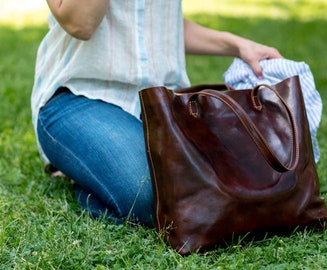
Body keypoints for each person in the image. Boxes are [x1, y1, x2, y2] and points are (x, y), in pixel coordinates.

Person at [32, 0, 283, 227]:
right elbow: (80, 23)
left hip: (158, 105)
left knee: (234, 175)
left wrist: (238, 45)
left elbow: (161, 25)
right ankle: (90, 171)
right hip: (78, 97)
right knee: (164, 196)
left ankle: (98, 169)